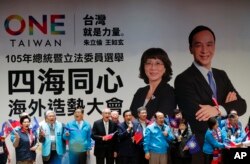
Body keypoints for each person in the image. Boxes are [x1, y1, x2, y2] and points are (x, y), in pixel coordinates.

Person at [174, 25, 247, 163]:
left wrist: (217, 109)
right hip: (202, 150)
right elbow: (198, 120)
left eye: (209, 44)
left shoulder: (221, 75)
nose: (204, 50)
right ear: (190, 48)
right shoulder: (183, 79)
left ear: (214, 46)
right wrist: (228, 107)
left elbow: (242, 105)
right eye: (198, 45)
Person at [130, 48, 176, 120]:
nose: (153, 67)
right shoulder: (140, 92)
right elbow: (129, 117)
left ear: (165, 68)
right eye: (148, 63)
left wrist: (136, 123)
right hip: (136, 131)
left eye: (158, 63)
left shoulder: (169, 92)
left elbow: (159, 121)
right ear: (143, 67)